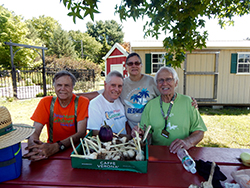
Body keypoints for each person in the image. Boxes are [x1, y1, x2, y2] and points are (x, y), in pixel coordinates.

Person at [78, 52, 197, 130]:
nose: (134, 65)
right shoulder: (121, 84)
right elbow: (101, 93)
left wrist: (187, 101)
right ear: (126, 67)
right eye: (130, 63)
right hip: (131, 129)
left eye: (137, 63)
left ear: (141, 65)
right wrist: (74, 95)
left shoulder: (152, 81)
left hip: (152, 128)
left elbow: (168, 93)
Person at [23, 70, 89, 161]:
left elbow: (81, 133)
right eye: (59, 85)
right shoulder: (46, 102)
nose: (62, 89)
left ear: (72, 87)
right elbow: (34, 130)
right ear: (54, 86)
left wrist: (57, 147)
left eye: (67, 85)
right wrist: (34, 147)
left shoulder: (82, 102)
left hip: (76, 150)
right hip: (51, 150)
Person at [138, 66, 207, 154]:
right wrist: (140, 135)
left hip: (184, 154)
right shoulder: (150, 105)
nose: (164, 83)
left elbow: (199, 131)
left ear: (176, 82)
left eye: (169, 79)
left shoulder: (188, 102)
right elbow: (145, 134)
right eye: (160, 80)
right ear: (157, 84)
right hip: (158, 154)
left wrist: (187, 142)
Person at [87, 70, 130, 135]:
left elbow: (125, 124)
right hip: (108, 144)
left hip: (125, 142)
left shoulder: (119, 100)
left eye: (119, 86)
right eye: (113, 85)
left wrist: (131, 136)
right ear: (105, 84)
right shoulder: (95, 104)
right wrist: (120, 137)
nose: (116, 89)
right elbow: (94, 132)